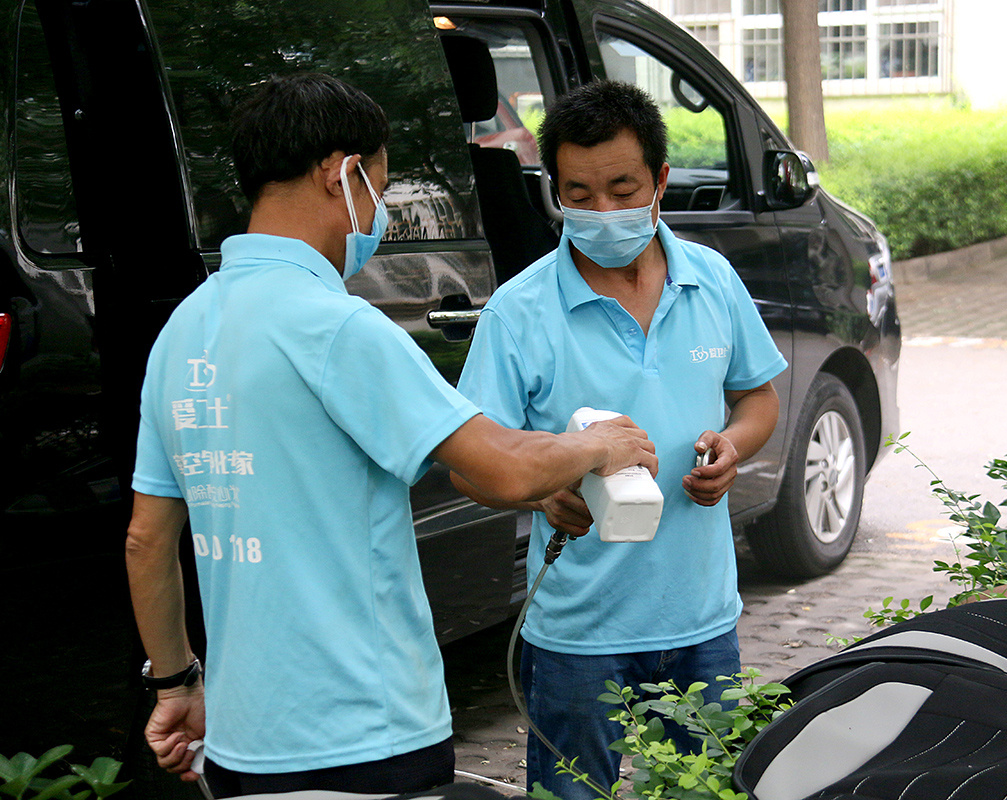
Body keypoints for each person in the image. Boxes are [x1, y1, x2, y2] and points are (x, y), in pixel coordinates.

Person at [124, 73, 657, 799]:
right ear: (339, 174)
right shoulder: (336, 326)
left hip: (241, 746)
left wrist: (176, 681)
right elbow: (500, 469)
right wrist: (602, 446)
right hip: (365, 736)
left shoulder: (183, 330)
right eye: (378, 186)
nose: (379, 212)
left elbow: (147, 541)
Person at [452, 80, 788, 800]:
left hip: (701, 619)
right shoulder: (520, 312)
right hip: (578, 632)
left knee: (699, 791)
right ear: (555, 190)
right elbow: (467, 465)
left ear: (661, 181)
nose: (601, 211)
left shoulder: (712, 280)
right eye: (578, 193)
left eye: (622, 188)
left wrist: (733, 445)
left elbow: (758, 398)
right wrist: (546, 493)